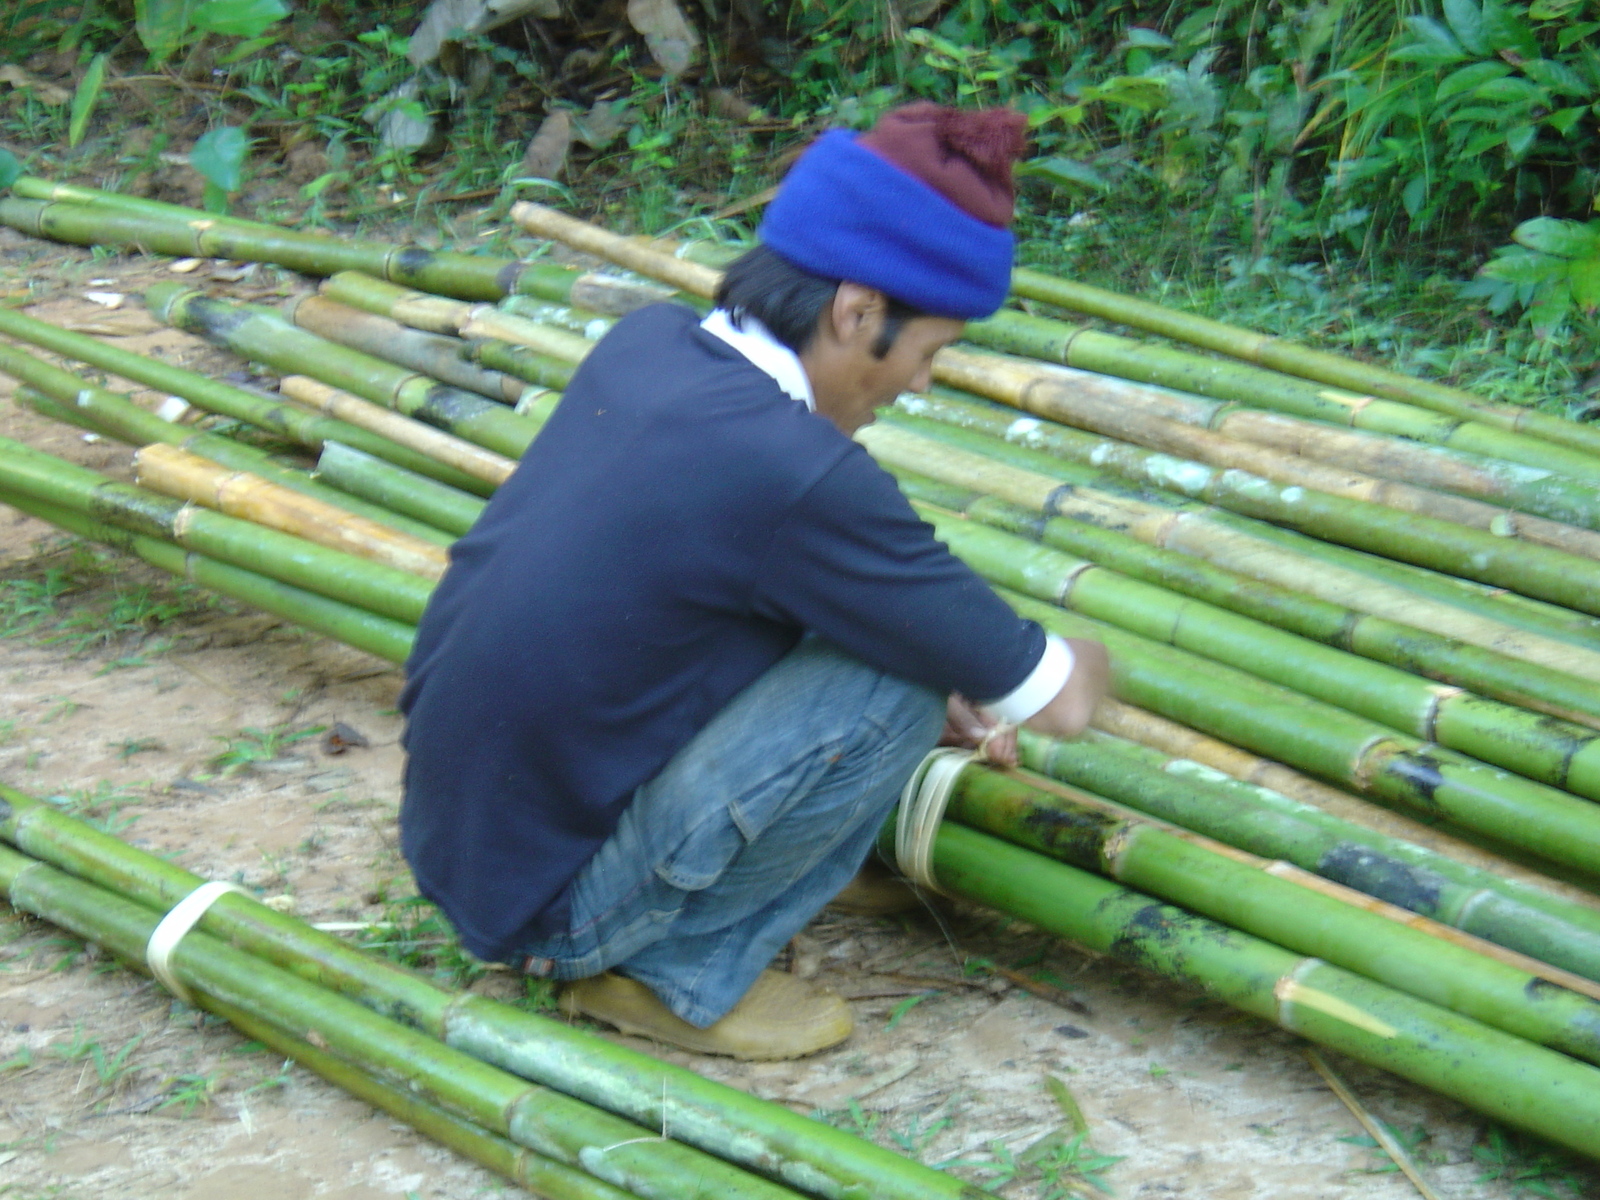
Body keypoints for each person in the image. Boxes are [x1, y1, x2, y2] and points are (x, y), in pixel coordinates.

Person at [398, 102, 1110, 1061]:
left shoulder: (650, 343)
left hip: (469, 844)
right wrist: (1105, 667)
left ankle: (782, 861)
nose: (922, 386)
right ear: (857, 312)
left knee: (872, 636)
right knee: (891, 681)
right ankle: (666, 969)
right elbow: (1056, 701)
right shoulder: (794, 473)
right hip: (554, 905)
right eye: (930, 353)